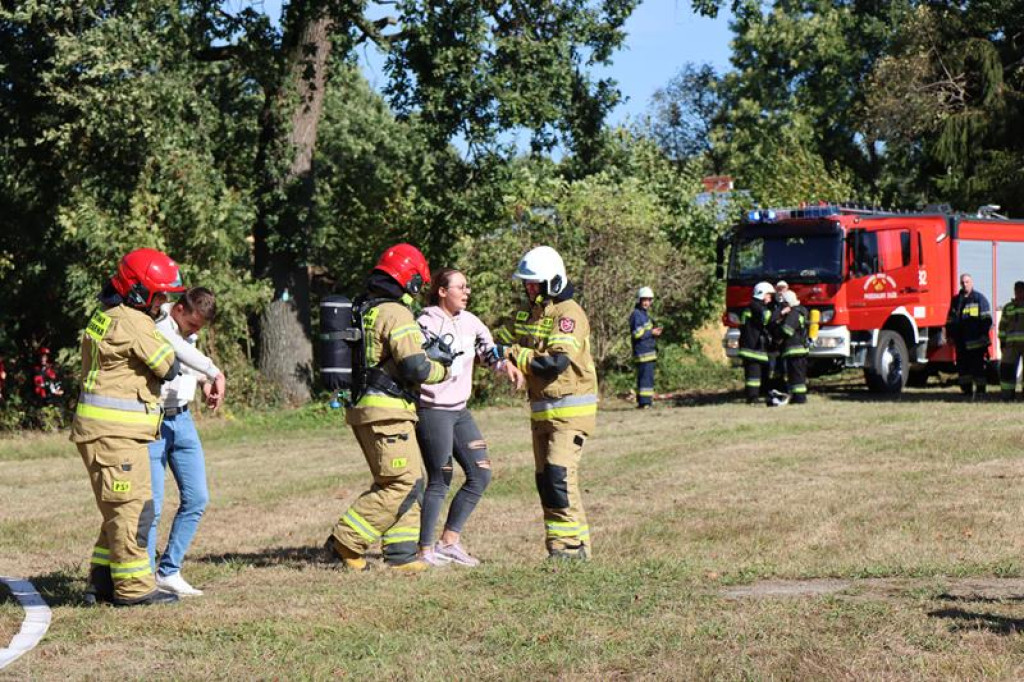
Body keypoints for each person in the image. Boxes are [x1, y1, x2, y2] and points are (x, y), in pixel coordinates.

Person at [325, 243, 453, 573]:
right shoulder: (396, 312)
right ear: (409, 279)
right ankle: (346, 540)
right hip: (387, 410)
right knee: (402, 481)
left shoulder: (366, 308)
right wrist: (443, 368)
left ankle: (401, 554)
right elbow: (416, 368)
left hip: (371, 408)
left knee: (409, 479)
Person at [72, 248, 185, 606]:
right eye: (160, 295)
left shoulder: (105, 316)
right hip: (115, 435)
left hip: (103, 432)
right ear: (138, 292)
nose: (164, 303)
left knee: (117, 508)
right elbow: (167, 366)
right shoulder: (135, 323)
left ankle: (102, 582)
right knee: (132, 510)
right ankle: (134, 588)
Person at [492, 245, 598, 560]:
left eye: (534, 284)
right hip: (541, 411)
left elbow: (554, 364)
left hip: (570, 411)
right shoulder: (530, 313)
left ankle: (569, 549)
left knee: (558, 476)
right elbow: (498, 341)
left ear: (552, 281)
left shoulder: (569, 314)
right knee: (548, 481)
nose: (529, 289)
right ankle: (568, 547)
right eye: (526, 283)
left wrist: (514, 354)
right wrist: (501, 353)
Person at [415, 268, 524, 567]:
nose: (467, 292)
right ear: (441, 291)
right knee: (440, 478)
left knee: (481, 474)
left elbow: (489, 352)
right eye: (460, 287)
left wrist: (506, 366)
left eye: (467, 287)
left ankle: (449, 542)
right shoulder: (424, 322)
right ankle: (424, 551)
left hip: (460, 411)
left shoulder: (471, 322)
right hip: (432, 410)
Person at [147, 287, 225, 596]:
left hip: (182, 420)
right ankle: (141, 576)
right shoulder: (159, 321)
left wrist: (203, 381)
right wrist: (213, 371)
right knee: (150, 506)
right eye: (193, 325)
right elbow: (174, 349)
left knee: (197, 498)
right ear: (179, 308)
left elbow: (186, 359)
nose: (194, 332)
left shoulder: (184, 328)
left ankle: (169, 571)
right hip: (152, 420)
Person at [946, 273, 992, 398]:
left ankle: (981, 391)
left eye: (967, 282)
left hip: (976, 341)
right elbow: (950, 320)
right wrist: (950, 335)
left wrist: (983, 335)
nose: (964, 285)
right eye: (962, 282)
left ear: (971, 283)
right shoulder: (956, 300)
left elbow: (986, 319)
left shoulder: (979, 299)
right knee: (963, 368)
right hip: (960, 342)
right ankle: (966, 391)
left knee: (978, 367)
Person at [769, 289, 810, 405]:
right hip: (799, 349)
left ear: (788, 303)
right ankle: (798, 397)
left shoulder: (794, 313)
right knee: (797, 375)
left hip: (794, 349)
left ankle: (799, 398)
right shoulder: (801, 311)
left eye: (783, 304)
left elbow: (787, 330)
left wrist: (777, 335)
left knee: (796, 376)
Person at [738, 282, 776, 404]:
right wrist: (779, 311)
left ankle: (757, 395)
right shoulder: (757, 306)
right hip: (752, 347)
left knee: (758, 372)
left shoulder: (750, 306)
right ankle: (752, 398)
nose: (770, 298)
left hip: (750, 344)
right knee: (753, 374)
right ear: (762, 294)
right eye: (769, 295)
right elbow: (767, 318)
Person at [629, 286, 662, 409]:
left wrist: (654, 333)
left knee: (648, 379)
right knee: (645, 379)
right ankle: (644, 403)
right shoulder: (637, 315)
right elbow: (637, 333)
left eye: (649, 300)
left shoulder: (645, 315)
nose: (646, 302)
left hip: (649, 351)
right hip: (642, 353)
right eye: (644, 300)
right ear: (639, 300)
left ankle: (646, 401)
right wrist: (651, 333)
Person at [998, 281, 1024, 400]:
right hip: (1010, 345)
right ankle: (1007, 395)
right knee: (1007, 369)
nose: (1019, 293)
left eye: (1021, 290)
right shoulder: (1008, 307)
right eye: (1017, 290)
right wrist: (1002, 342)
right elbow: (1002, 326)